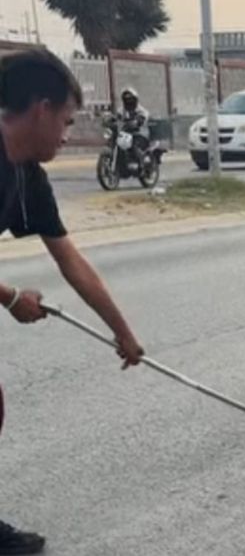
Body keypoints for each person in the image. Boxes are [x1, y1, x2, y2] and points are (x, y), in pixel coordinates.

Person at [0, 50, 145, 555]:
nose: (66, 134)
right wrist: (12, 296)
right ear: (40, 109)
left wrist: (122, 333)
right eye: (65, 120)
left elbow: (70, 261)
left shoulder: (26, 177)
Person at [115, 88, 151, 169]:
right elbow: (116, 116)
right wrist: (110, 119)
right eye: (126, 99)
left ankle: (141, 162)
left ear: (135, 99)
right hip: (127, 133)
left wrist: (138, 121)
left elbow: (144, 116)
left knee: (133, 145)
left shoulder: (140, 110)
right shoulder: (122, 110)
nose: (128, 101)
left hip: (140, 133)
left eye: (130, 99)